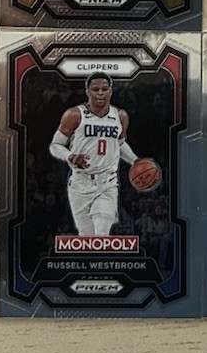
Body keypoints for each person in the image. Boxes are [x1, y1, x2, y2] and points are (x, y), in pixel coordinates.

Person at [49, 73, 140, 234]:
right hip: (80, 183)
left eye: (104, 89)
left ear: (110, 91)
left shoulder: (120, 116)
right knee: (87, 238)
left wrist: (135, 161)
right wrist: (70, 156)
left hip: (107, 183)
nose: (100, 93)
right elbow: (55, 145)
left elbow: (119, 144)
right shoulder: (74, 114)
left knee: (101, 235)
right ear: (88, 91)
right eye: (95, 89)